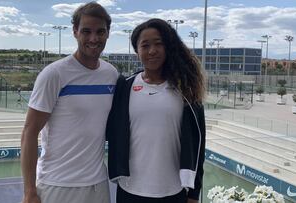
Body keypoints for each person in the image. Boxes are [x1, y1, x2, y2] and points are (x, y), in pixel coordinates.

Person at [21, 2, 118, 203]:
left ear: (108, 33)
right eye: (86, 31)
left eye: (100, 31)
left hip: (98, 185)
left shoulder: (111, 74)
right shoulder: (54, 74)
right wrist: (30, 191)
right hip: (58, 185)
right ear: (75, 32)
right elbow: (29, 132)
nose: (94, 38)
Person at [106, 18, 206, 203]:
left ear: (168, 47)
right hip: (130, 190)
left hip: (173, 192)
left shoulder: (186, 91)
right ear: (137, 51)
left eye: (158, 44)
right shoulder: (124, 87)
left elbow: (198, 143)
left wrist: (193, 193)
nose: (152, 51)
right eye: (145, 45)